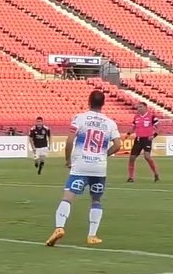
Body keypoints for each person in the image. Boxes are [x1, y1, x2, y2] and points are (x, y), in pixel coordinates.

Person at [46, 90, 121, 247]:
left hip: (81, 165)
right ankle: (92, 235)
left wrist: (68, 160)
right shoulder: (110, 123)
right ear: (103, 103)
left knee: (68, 197)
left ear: (89, 102)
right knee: (96, 199)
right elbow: (118, 145)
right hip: (99, 168)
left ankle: (59, 227)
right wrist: (103, 155)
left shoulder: (80, 118)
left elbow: (69, 141)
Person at [127, 102, 160, 183]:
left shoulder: (152, 117)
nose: (138, 109)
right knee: (132, 158)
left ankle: (156, 174)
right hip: (138, 139)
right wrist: (128, 134)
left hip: (147, 139)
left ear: (145, 107)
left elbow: (158, 127)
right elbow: (133, 127)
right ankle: (131, 177)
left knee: (147, 157)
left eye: (140, 107)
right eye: (138, 107)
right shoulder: (136, 117)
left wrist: (154, 135)